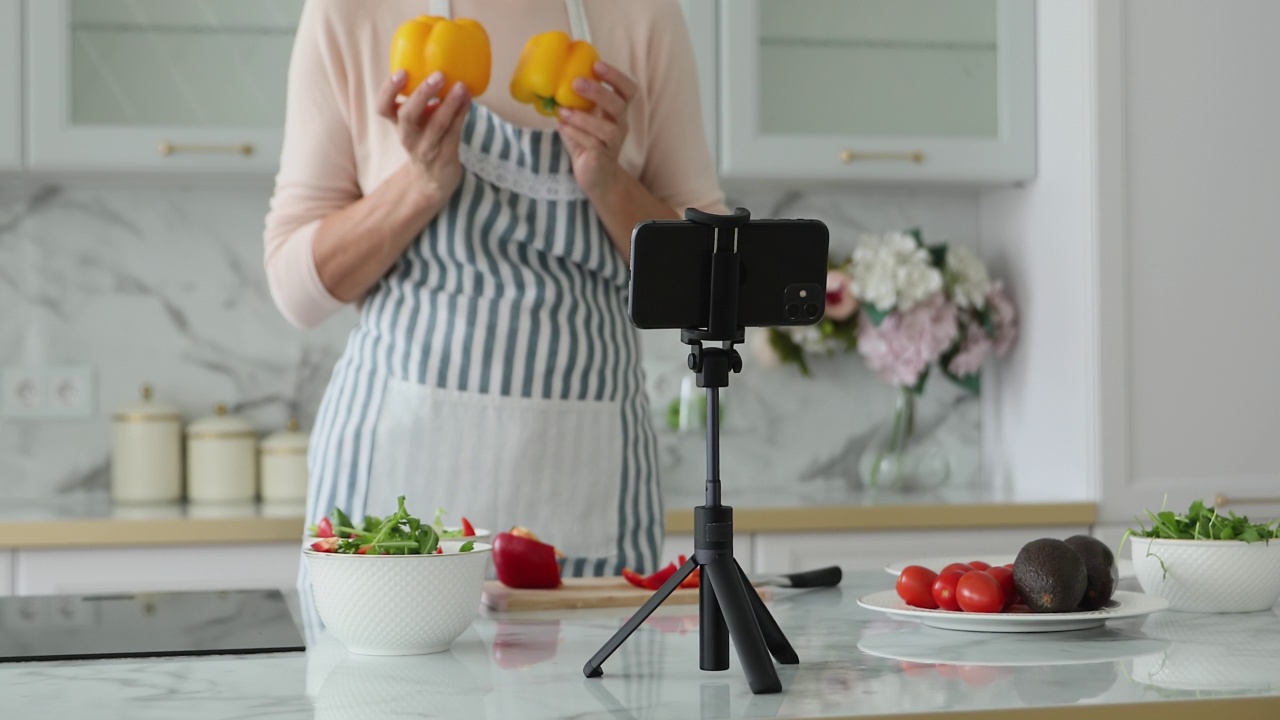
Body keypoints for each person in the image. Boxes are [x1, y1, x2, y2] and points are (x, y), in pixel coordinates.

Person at [264, 0, 724, 577]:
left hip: (581, 479)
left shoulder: (643, 15)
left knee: (591, 667)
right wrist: (422, 182)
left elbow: (713, 291)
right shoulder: (352, 12)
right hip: (397, 490)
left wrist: (608, 180)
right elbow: (295, 291)